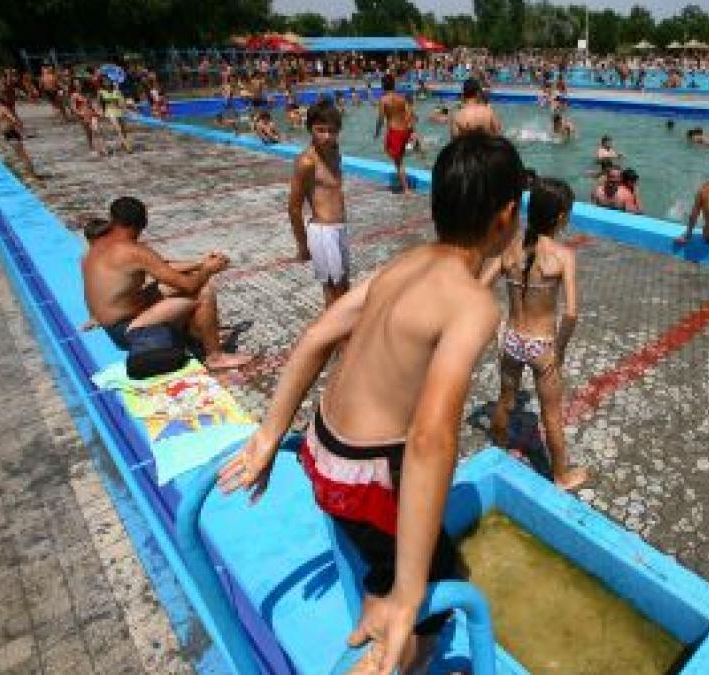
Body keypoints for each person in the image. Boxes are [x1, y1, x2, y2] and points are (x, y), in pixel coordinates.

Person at [218, 133, 525, 675]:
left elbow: (316, 336)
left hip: (320, 452)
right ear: (506, 218)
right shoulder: (474, 305)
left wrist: (267, 437)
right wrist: (411, 595)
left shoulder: (403, 263)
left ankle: (381, 601)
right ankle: (395, 654)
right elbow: (432, 437)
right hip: (371, 477)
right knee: (442, 589)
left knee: (397, 557)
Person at [481, 176, 588, 491]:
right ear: (560, 217)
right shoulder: (562, 255)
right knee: (551, 414)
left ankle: (498, 448)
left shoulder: (511, 248)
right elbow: (571, 312)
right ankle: (561, 475)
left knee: (506, 399)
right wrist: (561, 349)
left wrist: (491, 326)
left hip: (512, 337)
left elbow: (479, 287)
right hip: (542, 344)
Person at [81, 197, 251, 370]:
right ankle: (215, 357)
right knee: (203, 292)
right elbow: (189, 286)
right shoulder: (134, 251)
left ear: (112, 220)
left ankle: (196, 331)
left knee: (183, 279)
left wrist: (201, 263)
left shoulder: (97, 245)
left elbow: (163, 267)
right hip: (127, 330)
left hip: (111, 322)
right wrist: (208, 270)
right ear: (143, 223)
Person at [290, 100, 350, 307]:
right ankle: (334, 337)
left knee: (344, 286)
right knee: (335, 291)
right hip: (323, 232)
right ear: (310, 129)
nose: (326, 136)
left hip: (339, 228)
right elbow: (294, 207)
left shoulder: (335, 151)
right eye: (320, 130)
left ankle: (339, 336)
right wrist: (302, 245)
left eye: (331, 131)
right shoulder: (307, 162)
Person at [376, 73, 414, 194]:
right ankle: (404, 182)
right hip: (405, 131)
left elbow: (381, 119)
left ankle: (406, 188)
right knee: (397, 156)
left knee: (398, 162)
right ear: (394, 85)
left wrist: (377, 131)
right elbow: (409, 116)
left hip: (394, 131)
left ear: (383, 85)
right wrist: (411, 131)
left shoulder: (383, 100)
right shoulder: (401, 98)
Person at [0, 96, 38, 178]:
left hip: (12, 133)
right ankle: (30, 172)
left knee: (22, 154)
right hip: (6, 134)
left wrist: (20, 130)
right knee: (18, 154)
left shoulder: (3, 108)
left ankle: (32, 173)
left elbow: (13, 119)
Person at [69, 80, 106, 157]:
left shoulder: (87, 94)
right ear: (74, 86)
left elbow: (94, 103)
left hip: (92, 114)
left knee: (97, 130)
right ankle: (92, 147)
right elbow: (73, 108)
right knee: (89, 133)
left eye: (79, 84)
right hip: (83, 116)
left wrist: (98, 111)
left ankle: (102, 148)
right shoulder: (74, 95)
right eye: (76, 85)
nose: (78, 86)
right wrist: (79, 114)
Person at [98, 79, 133, 153]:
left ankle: (123, 143)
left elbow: (122, 101)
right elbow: (100, 103)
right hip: (109, 110)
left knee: (123, 129)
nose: (107, 83)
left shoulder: (116, 91)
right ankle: (127, 146)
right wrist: (101, 112)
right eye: (105, 82)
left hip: (118, 110)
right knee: (118, 129)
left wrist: (125, 109)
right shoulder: (101, 92)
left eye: (108, 81)